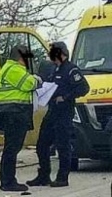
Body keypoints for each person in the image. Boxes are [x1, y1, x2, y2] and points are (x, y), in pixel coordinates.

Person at [28, 41, 90, 188]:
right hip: (51, 111)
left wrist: (66, 97)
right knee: (42, 144)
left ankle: (62, 177)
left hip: (64, 112)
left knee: (63, 145)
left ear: (62, 53)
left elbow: (84, 88)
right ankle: (44, 175)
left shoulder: (71, 69)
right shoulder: (54, 69)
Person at [0, 44, 42, 192]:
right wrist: (37, 80)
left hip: (12, 112)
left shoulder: (10, 68)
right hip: (13, 113)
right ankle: (8, 182)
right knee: (12, 148)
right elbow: (29, 84)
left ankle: (7, 180)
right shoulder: (14, 69)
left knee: (12, 147)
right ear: (21, 57)